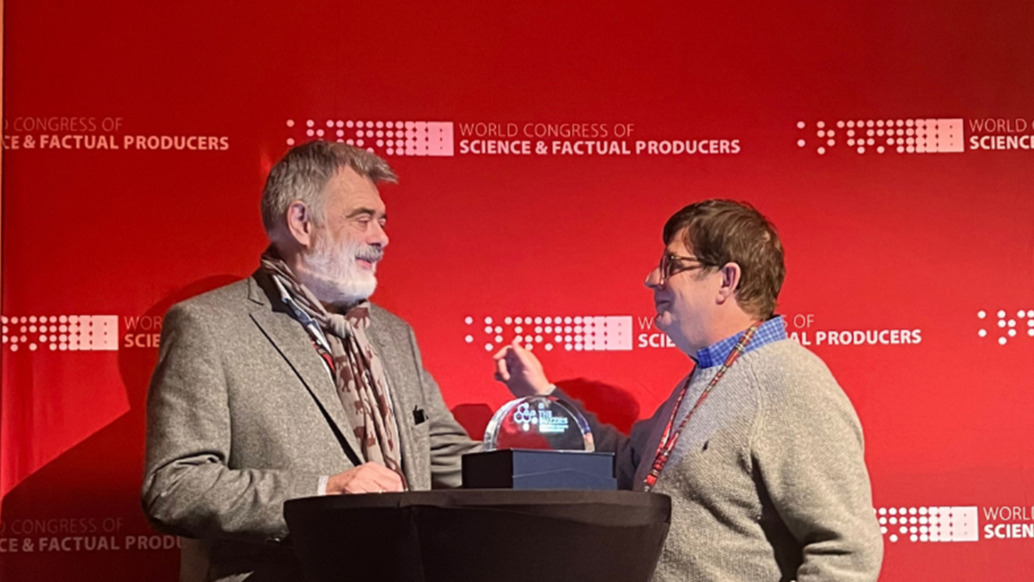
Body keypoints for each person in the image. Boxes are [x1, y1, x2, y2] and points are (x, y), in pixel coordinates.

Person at [142, 141, 480, 581]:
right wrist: (324, 491)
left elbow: (444, 455)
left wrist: (557, 473)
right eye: (362, 219)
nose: (381, 237)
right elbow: (175, 487)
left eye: (381, 220)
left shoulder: (394, 335)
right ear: (301, 222)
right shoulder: (209, 326)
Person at [494, 200, 883, 582]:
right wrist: (543, 395)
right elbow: (627, 463)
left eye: (673, 265)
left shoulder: (790, 383)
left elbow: (846, 551)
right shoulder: (707, 379)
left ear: (726, 280)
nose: (652, 279)